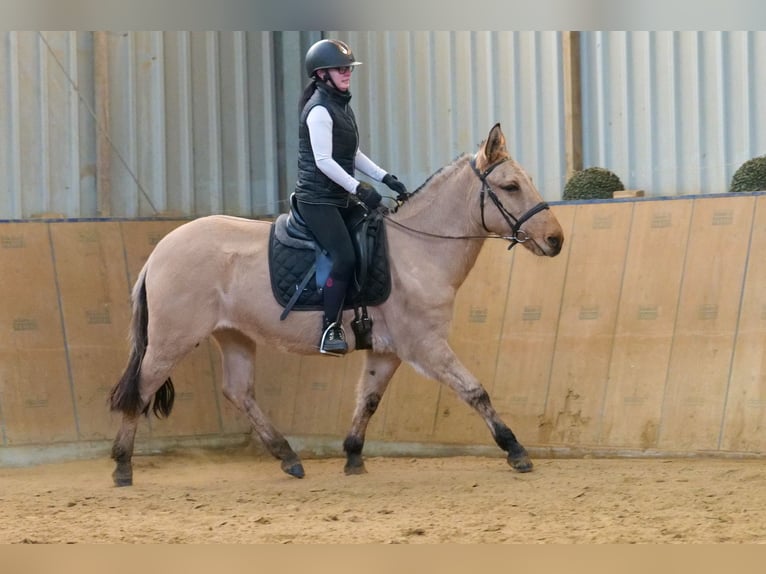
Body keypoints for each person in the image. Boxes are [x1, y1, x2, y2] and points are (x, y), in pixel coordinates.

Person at [294, 38, 409, 356]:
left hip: (339, 197)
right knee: (344, 256)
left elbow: (352, 153)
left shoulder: (341, 106)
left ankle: (367, 315)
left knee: (377, 234)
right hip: (317, 200)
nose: (346, 73)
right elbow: (324, 161)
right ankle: (329, 328)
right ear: (321, 75)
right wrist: (359, 188)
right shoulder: (318, 110)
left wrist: (385, 178)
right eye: (339, 68)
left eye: (348, 68)